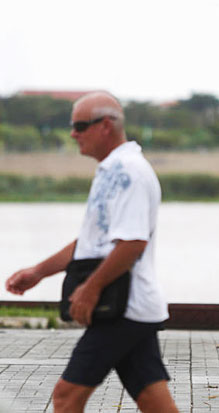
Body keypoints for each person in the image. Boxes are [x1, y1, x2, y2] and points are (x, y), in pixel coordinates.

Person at [4, 92, 178, 413]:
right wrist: (38, 272)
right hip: (128, 307)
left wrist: (90, 288)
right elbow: (88, 243)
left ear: (106, 126)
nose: (73, 133)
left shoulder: (130, 174)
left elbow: (133, 243)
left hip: (122, 307)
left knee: (66, 395)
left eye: (81, 126)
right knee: (155, 402)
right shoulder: (111, 172)